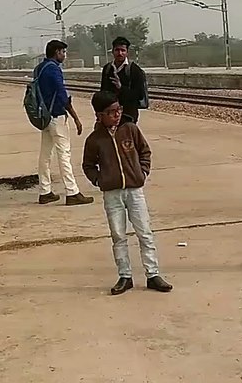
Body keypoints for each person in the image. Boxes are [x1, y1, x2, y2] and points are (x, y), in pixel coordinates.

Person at [82, 90, 172, 295]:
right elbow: (88, 165)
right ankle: (125, 276)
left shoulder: (130, 129)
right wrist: (99, 180)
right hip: (112, 194)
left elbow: (144, 151)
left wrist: (142, 172)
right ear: (99, 115)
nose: (117, 114)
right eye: (112, 112)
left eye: (119, 109)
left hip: (134, 190)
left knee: (144, 232)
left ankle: (153, 274)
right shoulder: (94, 139)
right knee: (118, 235)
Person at [34, 40, 93, 206]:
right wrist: (75, 117)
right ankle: (72, 192)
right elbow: (62, 95)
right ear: (57, 52)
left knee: (45, 156)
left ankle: (44, 191)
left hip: (44, 117)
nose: (64, 56)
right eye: (63, 52)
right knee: (64, 154)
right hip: (57, 117)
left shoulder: (39, 68)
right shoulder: (54, 70)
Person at [99, 36, 147, 124]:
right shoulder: (107, 69)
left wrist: (121, 88)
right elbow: (103, 92)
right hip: (110, 116)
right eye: (117, 50)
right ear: (112, 51)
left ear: (127, 52)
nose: (120, 53)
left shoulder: (134, 70)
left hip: (128, 115)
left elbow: (139, 95)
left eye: (123, 50)